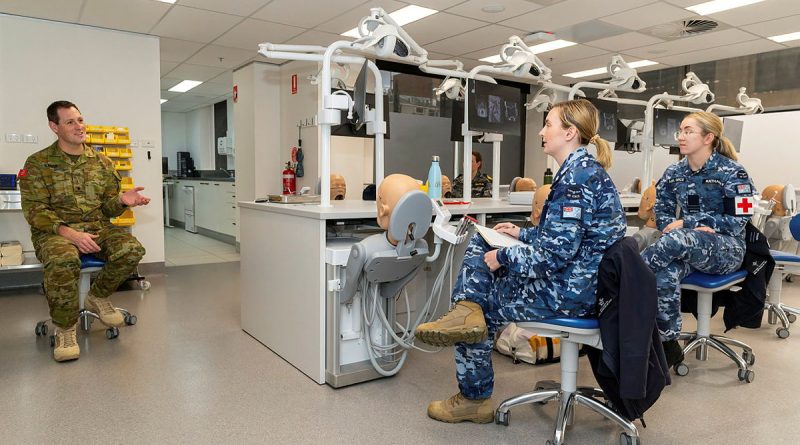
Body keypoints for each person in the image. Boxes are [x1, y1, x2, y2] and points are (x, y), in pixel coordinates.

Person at [415, 99, 626, 423]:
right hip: (583, 283)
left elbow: (553, 257)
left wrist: (503, 256)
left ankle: (474, 396)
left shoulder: (575, 180)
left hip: (573, 293)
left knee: (480, 311)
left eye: (549, 125)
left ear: (569, 133)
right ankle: (464, 311)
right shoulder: (583, 171)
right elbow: (567, 240)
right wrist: (522, 234)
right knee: (482, 239)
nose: (542, 131)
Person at [19, 100, 149, 362]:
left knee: (132, 249)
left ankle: (97, 297)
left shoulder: (101, 162)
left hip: (96, 228)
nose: (79, 126)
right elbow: (35, 211)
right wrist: (70, 234)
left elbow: (108, 209)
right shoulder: (38, 163)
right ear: (54, 126)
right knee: (63, 258)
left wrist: (122, 202)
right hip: (55, 233)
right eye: (70, 122)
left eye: (80, 120)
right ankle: (66, 329)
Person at [640, 111, 755, 366]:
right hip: (687, 244)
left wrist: (691, 224)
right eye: (680, 131)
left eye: (688, 131)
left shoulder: (734, 173)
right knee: (664, 272)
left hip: (727, 248)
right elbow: (662, 211)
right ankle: (667, 343)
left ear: (708, 137)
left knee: (676, 241)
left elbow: (739, 221)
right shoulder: (674, 172)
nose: (681, 136)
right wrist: (676, 226)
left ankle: (621, 282)